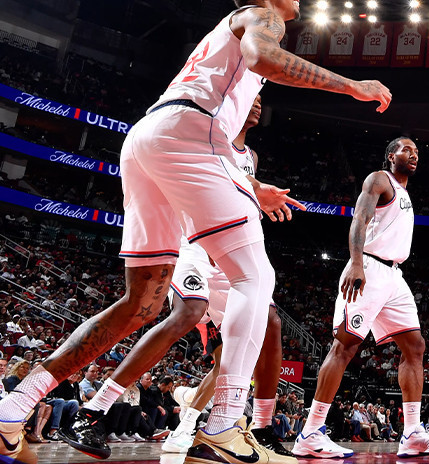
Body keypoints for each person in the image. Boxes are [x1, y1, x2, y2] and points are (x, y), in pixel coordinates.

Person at [0, 0, 391, 464]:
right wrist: (351, 85)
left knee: (140, 303)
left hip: (149, 139)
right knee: (256, 279)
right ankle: (224, 426)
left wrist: (252, 185)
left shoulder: (221, 41)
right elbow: (264, 59)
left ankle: (15, 405)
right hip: (190, 135)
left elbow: (208, 117)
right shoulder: (260, 16)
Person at [63, 96, 295, 463]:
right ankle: (95, 409)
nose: (256, 105)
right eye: (249, 97)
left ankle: (258, 429)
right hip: (193, 243)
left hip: (228, 251)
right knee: (187, 312)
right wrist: (254, 187)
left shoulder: (250, 155)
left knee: (269, 323)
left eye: (261, 101)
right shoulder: (202, 133)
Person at [293, 138, 429, 459]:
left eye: (417, 152)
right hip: (368, 265)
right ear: (390, 154)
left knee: (415, 346)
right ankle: (310, 432)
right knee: (345, 346)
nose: (414, 155)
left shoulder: (405, 192)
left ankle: (411, 433)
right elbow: (359, 220)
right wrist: (355, 262)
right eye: (407, 150)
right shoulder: (380, 179)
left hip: (394, 276)